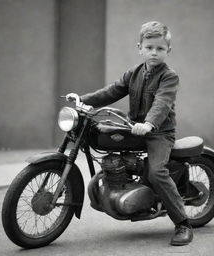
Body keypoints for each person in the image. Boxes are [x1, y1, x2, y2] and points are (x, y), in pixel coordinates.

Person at [66, 21, 193, 246]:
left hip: (159, 133)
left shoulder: (169, 76)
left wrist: (149, 124)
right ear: (140, 48)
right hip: (135, 128)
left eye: (160, 48)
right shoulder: (133, 73)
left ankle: (183, 223)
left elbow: (162, 103)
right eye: (149, 47)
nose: (154, 52)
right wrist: (82, 101)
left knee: (156, 172)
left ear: (168, 51)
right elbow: (111, 91)